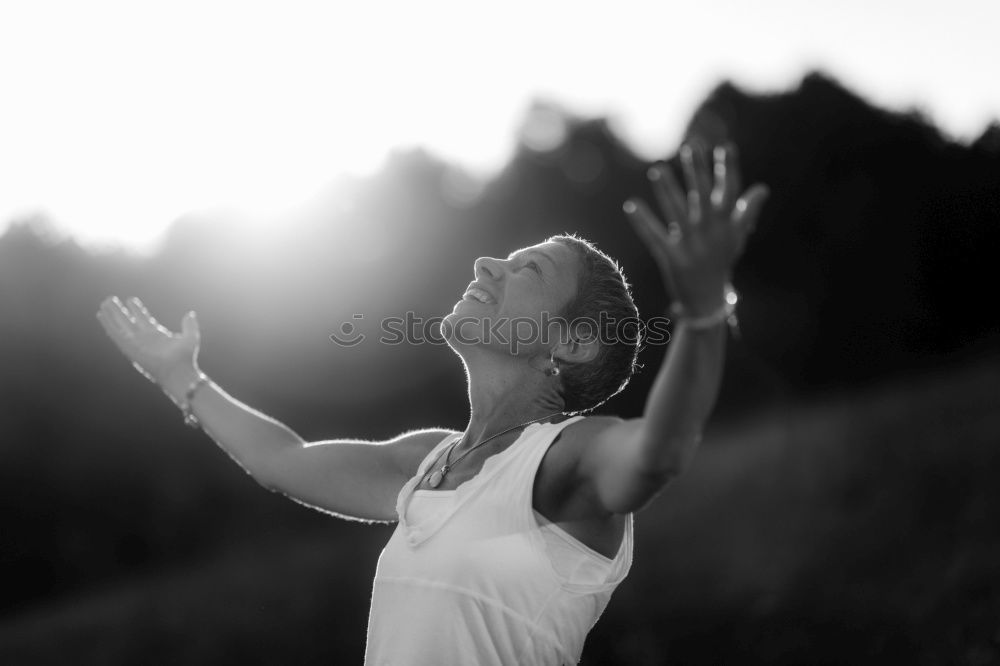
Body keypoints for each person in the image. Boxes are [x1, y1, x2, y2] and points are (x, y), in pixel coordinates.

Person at [96, 138, 769, 665]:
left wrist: (703, 311)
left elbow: (662, 451)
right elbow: (283, 459)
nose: (486, 266)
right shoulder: (426, 463)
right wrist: (180, 378)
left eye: (527, 269)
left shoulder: (568, 461)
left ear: (572, 344)